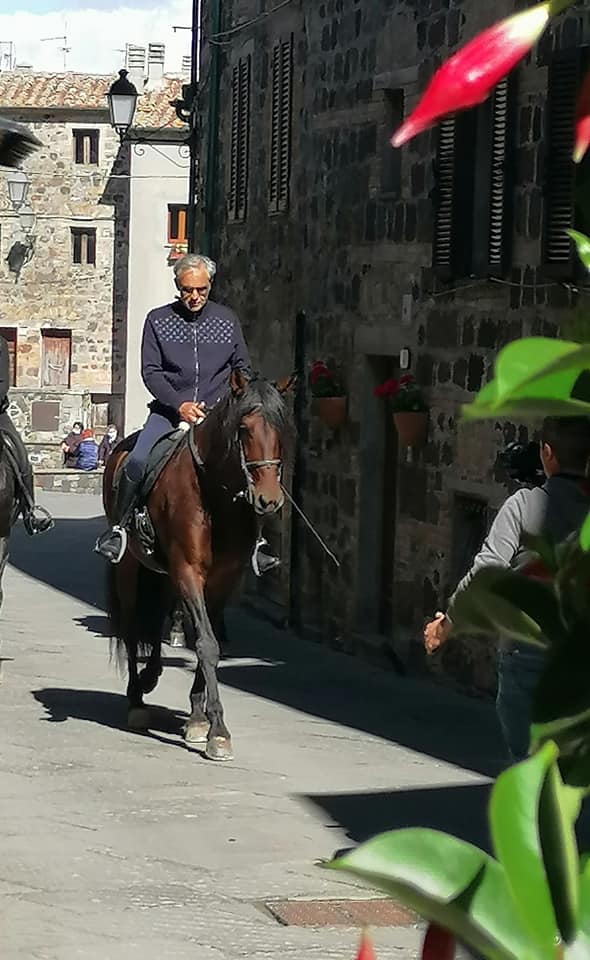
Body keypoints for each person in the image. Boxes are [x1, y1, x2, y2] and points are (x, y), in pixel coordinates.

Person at [424, 417, 590, 762]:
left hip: (527, 656)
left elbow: (486, 572)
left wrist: (446, 625)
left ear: (547, 453)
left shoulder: (524, 505)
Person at [95, 253, 252, 563]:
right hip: (168, 413)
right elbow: (150, 371)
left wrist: (225, 401)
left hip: (217, 414)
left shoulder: (227, 320)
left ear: (210, 286)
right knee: (137, 460)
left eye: (201, 290)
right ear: (177, 286)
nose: (194, 297)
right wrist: (179, 404)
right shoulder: (158, 320)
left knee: (251, 464)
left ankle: (256, 540)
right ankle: (120, 529)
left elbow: (242, 367)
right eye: (187, 290)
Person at [0, 336, 53, 535]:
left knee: (20, 453)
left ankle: (30, 510)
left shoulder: (0, 344)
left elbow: (2, 383)